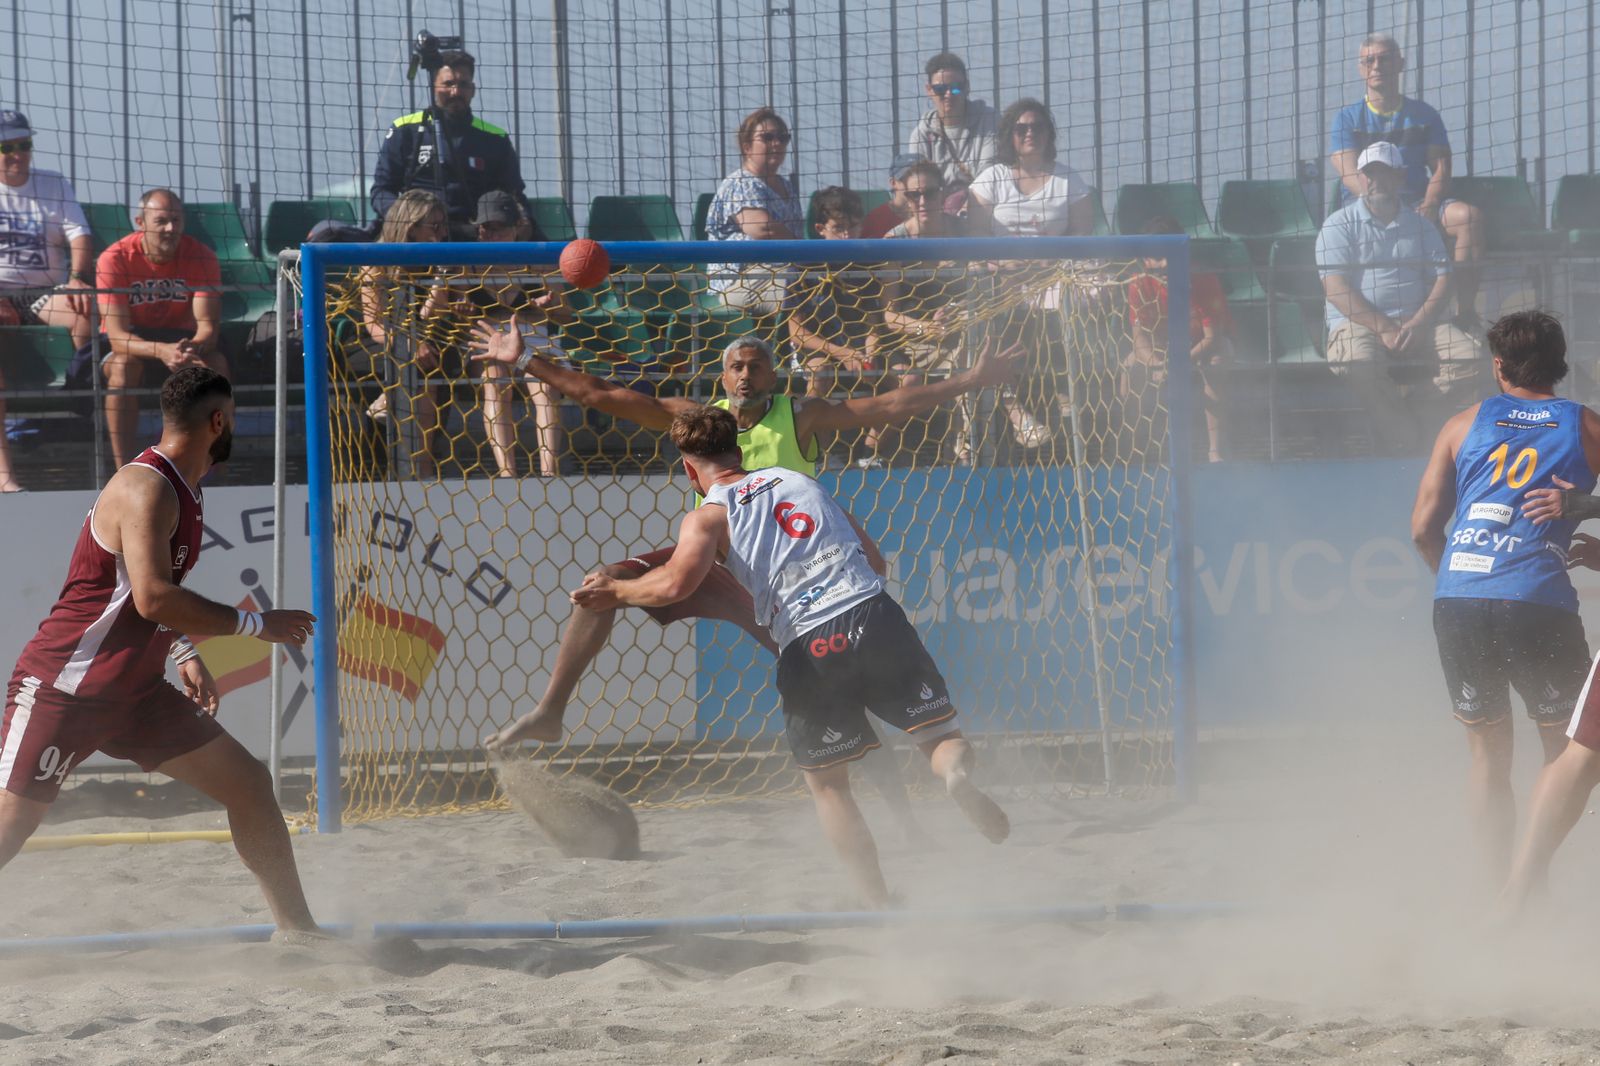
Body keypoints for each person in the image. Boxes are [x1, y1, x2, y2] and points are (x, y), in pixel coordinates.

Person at [470, 326, 1021, 833]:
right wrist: (525, 360)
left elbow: (888, 404)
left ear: (773, 376)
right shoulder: (699, 422)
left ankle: (906, 822)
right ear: (722, 375)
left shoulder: (800, 414)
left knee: (843, 699)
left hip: (787, 580)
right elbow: (602, 396)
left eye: (756, 366)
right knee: (604, 583)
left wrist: (972, 378)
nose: (745, 375)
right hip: (714, 559)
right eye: (736, 366)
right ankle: (550, 712)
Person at [569, 406, 1010, 905]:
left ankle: (878, 902)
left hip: (808, 643)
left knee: (829, 787)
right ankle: (955, 776)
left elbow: (675, 583)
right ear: (739, 452)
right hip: (872, 612)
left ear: (691, 471)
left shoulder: (708, 515)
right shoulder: (800, 481)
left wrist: (617, 592)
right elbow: (878, 562)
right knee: (939, 740)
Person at [0, 367, 321, 935]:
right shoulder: (145, 485)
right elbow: (150, 597)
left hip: (135, 694)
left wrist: (182, 649)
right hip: (66, 689)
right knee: (10, 828)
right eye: (234, 418)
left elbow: (136, 595)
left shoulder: (184, 487)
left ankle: (298, 932)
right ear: (218, 420)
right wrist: (256, 624)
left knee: (249, 786)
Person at [1410, 310, 1600, 887]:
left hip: (1460, 598)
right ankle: (1529, 886)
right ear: (1560, 363)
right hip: (1536, 601)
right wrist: (1585, 507)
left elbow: (1422, 529)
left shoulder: (1461, 423)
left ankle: (1494, 887)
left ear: (1498, 366)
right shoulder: (1585, 424)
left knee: (1488, 758)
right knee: (1564, 756)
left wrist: (1462, 580)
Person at [1317, 141, 1484, 457]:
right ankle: (1405, 434)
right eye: (1370, 173)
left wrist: (1420, 322)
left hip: (1420, 323)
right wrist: (1383, 326)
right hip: (1356, 324)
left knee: (1471, 359)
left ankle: (1411, 415)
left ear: (1401, 176)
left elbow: (1443, 278)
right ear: (1361, 178)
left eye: (1385, 173)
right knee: (1357, 362)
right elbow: (1336, 288)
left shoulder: (1421, 226)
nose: (1376, 180)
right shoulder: (1338, 225)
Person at [1329, 33, 1485, 331]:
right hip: (1368, 207)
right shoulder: (1347, 119)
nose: (1376, 65)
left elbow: (1441, 167)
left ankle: (1464, 313)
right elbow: (1349, 174)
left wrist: (1428, 205)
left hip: (1417, 203)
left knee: (1469, 217)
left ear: (1400, 64)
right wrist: (1386, 206)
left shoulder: (1424, 114)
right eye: (1369, 60)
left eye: (1384, 58)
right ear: (1361, 69)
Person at [969, 100, 1094, 455]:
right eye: (1021, 128)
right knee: (992, 305)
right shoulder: (991, 179)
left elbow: (1084, 233)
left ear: (1048, 133)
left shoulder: (1069, 179)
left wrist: (1046, 262)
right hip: (1002, 276)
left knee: (1075, 300)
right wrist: (1004, 264)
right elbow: (976, 236)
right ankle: (1012, 404)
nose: (1030, 134)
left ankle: (1065, 386)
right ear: (1010, 135)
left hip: (1054, 273)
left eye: (1037, 127)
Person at [96, 189, 230, 470]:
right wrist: (161, 351)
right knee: (123, 368)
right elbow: (118, 337)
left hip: (180, 340)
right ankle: (125, 470)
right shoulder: (114, 258)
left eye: (176, 220)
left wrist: (188, 350)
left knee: (215, 366)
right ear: (140, 222)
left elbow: (208, 329)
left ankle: (212, 466)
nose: (170, 228)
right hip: (133, 342)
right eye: (161, 221)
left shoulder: (201, 256)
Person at [0, 110, 96, 493]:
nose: (16, 154)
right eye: (6, 146)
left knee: (84, 311)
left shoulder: (53, 183)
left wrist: (78, 278)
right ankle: (5, 474)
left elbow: (79, 234)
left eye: (24, 145)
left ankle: (80, 410)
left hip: (43, 293)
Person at [453, 190, 571, 478]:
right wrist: (463, 309)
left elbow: (565, 314)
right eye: (485, 228)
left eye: (498, 227)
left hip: (533, 332)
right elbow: (451, 310)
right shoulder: (466, 262)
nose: (490, 234)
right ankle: (508, 474)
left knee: (544, 385)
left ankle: (549, 474)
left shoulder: (540, 260)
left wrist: (550, 305)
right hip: (489, 334)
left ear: (517, 226)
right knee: (494, 380)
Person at [370, 50, 527, 235]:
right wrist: (406, 219)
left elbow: (513, 193)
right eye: (448, 84)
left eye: (463, 84)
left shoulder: (494, 138)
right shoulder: (404, 130)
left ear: (473, 89)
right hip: (414, 233)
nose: (456, 92)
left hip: (475, 233)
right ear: (433, 86)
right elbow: (381, 191)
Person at [877, 160, 972, 466]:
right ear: (903, 197)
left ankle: (965, 450)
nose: (922, 202)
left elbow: (983, 288)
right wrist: (925, 329)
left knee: (969, 359)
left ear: (942, 193)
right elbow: (889, 316)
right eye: (913, 195)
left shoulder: (965, 233)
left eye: (929, 193)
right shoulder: (893, 242)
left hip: (962, 331)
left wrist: (960, 312)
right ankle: (870, 452)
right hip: (912, 339)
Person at [1124, 215, 1236, 463]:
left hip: (1204, 346)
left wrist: (1180, 363)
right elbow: (1138, 337)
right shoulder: (1138, 284)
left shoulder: (1204, 280)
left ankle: (1215, 449)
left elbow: (1213, 337)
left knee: (1216, 362)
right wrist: (1156, 363)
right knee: (1130, 367)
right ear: (1146, 260)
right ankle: (1135, 448)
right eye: (1158, 258)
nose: (1164, 264)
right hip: (1162, 349)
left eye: (1170, 256)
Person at [357, 189, 452, 479]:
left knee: (432, 365)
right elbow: (374, 325)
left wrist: (441, 282)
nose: (441, 233)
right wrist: (410, 346)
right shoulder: (377, 264)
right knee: (417, 369)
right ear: (409, 228)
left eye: (443, 225)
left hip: (424, 337)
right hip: (374, 342)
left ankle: (419, 470)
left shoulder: (440, 259)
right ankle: (415, 472)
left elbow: (428, 318)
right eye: (433, 227)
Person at [784, 186, 880, 401]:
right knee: (821, 372)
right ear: (820, 228)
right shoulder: (802, 267)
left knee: (891, 376)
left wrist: (870, 350)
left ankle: (874, 436)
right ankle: (813, 432)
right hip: (817, 348)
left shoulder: (867, 264)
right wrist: (841, 352)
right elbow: (796, 332)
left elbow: (873, 319)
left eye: (854, 226)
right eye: (839, 227)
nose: (847, 235)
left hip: (858, 344)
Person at [706, 108, 804, 313]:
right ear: (747, 146)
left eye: (783, 138)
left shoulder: (786, 186)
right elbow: (762, 229)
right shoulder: (739, 182)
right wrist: (804, 252)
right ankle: (805, 343)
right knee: (794, 288)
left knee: (816, 286)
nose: (776, 143)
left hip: (781, 270)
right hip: (738, 280)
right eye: (767, 137)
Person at [905, 53, 1000, 216]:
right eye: (940, 89)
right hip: (938, 214)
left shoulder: (990, 121)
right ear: (929, 90)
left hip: (983, 208)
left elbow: (989, 174)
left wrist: (963, 198)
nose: (949, 94)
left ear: (967, 87)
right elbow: (919, 184)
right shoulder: (920, 134)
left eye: (956, 87)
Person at [860, 154, 922, 241]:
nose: (916, 183)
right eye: (908, 178)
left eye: (921, 177)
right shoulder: (875, 219)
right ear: (893, 183)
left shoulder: (934, 216)